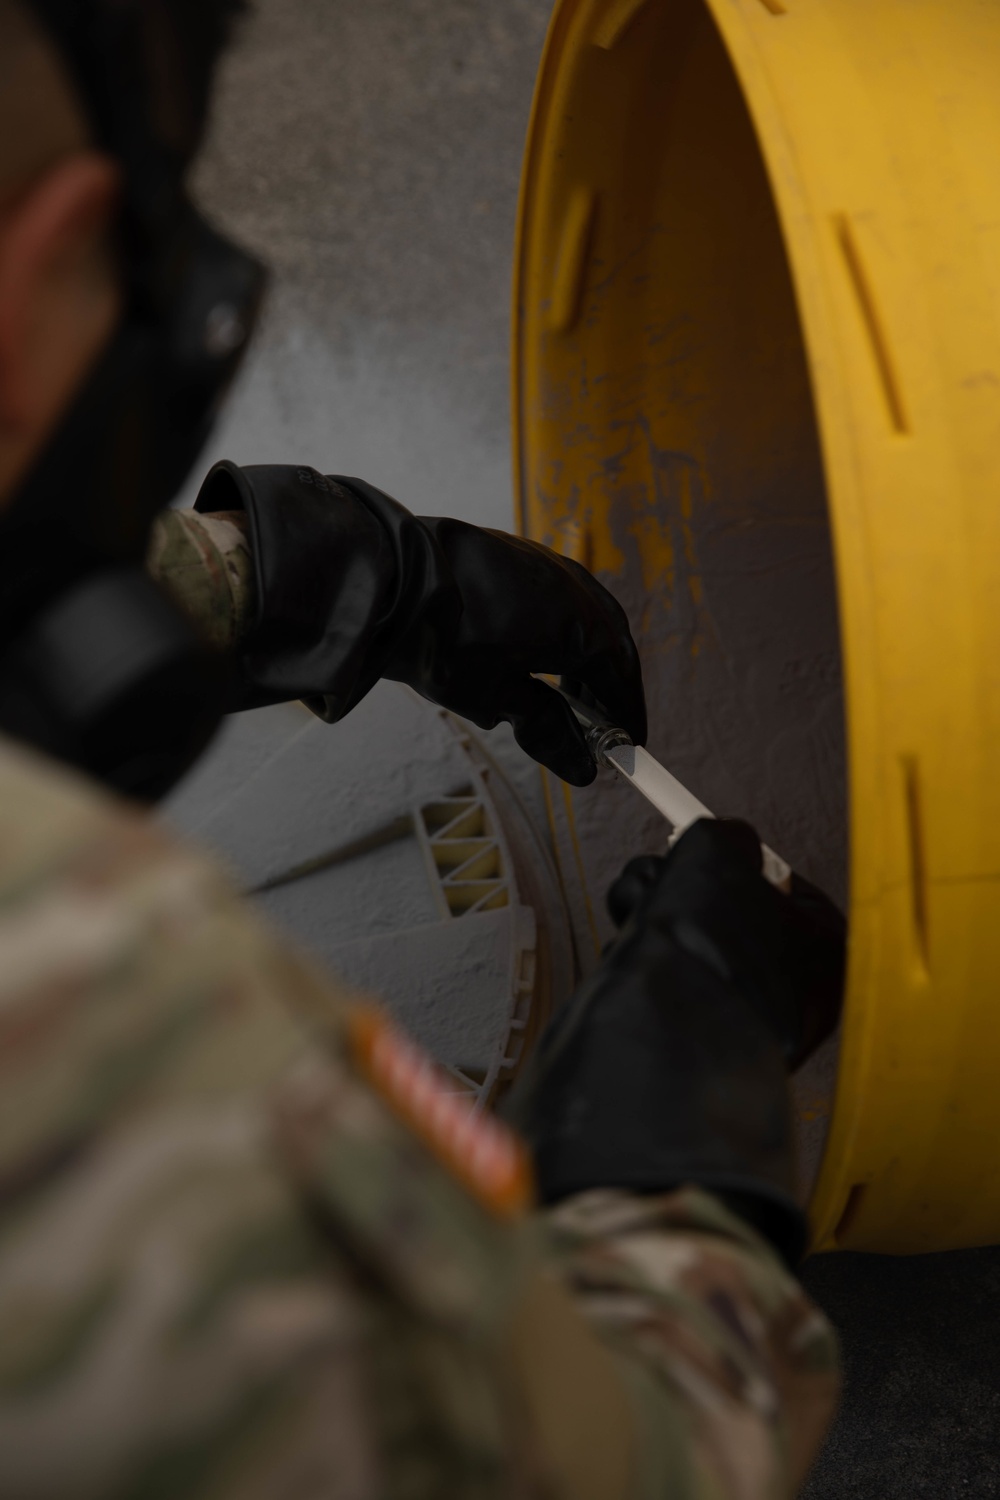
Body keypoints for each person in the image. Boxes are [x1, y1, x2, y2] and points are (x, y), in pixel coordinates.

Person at [0, 1, 844, 1495]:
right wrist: (669, 1155)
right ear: (37, 266)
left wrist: (303, 573)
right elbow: (607, 1469)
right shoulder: (76, 1009)